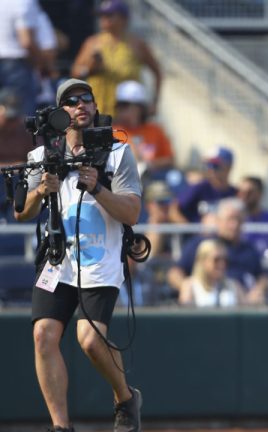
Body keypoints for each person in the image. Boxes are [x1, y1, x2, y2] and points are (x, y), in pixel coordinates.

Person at [14, 78, 142, 432]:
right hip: (58, 259)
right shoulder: (42, 156)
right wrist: (41, 189)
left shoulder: (117, 152)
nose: (80, 105)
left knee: (89, 340)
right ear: (58, 112)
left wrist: (98, 187)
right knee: (43, 336)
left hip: (100, 262)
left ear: (95, 106)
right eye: (70, 101)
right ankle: (60, 426)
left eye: (86, 99)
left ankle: (125, 398)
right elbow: (20, 212)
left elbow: (131, 213)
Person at [167, 197, 268, 304]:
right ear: (218, 220)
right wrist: (188, 287)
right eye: (230, 219)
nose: (234, 225)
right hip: (206, 300)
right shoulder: (202, 244)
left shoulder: (249, 249)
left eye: (239, 220)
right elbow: (174, 273)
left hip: (242, 302)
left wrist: (258, 290)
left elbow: (262, 276)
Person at [71, 0, 161, 117]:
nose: (104, 18)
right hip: (98, 113)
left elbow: (157, 72)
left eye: (109, 15)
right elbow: (74, 74)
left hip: (127, 116)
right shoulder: (92, 43)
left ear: (123, 19)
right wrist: (89, 69)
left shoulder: (136, 44)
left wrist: (154, 103)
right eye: (102, 15)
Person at [112, 80, 174, 180]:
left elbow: (169, 160)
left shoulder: (155, 129)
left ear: (140, 108)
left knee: (175, 177)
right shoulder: (114, 131)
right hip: (125, 180)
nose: (121, 110)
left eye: (126, 106)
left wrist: (147, 165)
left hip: (154, 177)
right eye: (119, 106)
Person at [171, 146, 237, 223]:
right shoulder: (199, 188)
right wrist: (189, 230)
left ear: (228, 167)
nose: (211, 169)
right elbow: (174, 209)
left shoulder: (236, 194)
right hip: (199, 234)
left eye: (215, 165)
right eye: (209, 165)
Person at [179, 238, 247, 308]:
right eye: (216, 260)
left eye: (225, 260)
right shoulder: (190, 286)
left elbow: (246, 313)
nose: (222, 264)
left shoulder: (234, 286)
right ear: (202, 261)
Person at [1, 0, 41, 116]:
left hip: (10, 64)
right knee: (22, 118)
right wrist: (40, 63)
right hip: (15, 67)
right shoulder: (25, 2)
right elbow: (26, 41)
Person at [0, 88, 31, 164]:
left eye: (15, 118)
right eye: (9, 119)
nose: (12, 124)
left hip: (22, 175)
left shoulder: (26, 132)